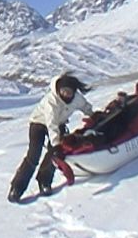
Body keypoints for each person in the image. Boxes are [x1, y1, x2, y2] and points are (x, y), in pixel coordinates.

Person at [8, 73, 94, 203]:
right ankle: (17, 188)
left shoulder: (77, 98)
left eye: (69, 92)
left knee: (54, 156)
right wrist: (56, 144)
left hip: (58, 124)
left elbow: (86, 107)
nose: (65, 94)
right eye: (63, 91)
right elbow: (51, 124)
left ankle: (44, 182)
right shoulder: (51, 101)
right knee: (33, 155)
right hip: (38, 123)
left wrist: (94, 116)